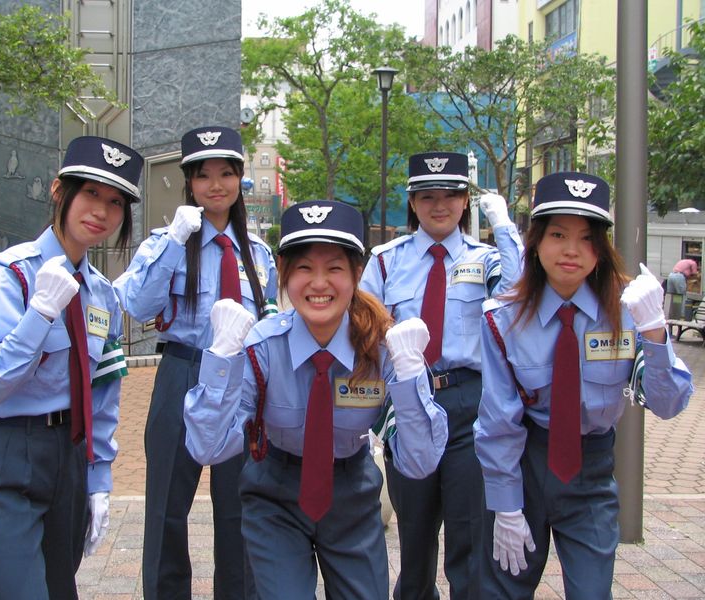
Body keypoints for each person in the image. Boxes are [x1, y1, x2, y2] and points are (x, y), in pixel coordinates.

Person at [182, 199, 448, 599]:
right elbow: (207, 446)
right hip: (275, 496)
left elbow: (420, 461)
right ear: (284, 273)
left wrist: (411, 376)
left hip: (352, 495)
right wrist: (221, 356)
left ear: (357, 273)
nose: (319, 283)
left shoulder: (384, 350)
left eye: (335, 268)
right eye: (304, 268)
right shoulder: (261, 347)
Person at [473, 171, 693, 599]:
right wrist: (505, 504)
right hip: (525, 465)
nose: (571, 250)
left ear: (602, 248)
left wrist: (654, 332)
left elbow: (668, 404)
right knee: (501, 590)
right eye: (558, 234)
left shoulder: (629, 310)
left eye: (587, 238)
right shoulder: (503, 318)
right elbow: (498, 420)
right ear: (536, 241)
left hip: (590, 472)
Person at [0, 135, 144, 599]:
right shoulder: (9, 274)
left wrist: (99, 478)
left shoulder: (101, 294)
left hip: (67, 455)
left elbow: (103, 392)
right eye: (91, 193)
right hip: (3, 452)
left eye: (115, 202)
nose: (101, 211)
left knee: (60, 589)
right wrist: (39, 315)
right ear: (59, 191)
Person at [113, 125, 277, 599]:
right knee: (166, 505)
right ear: (189, 182)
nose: (215, 185)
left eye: (226, 174)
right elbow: (137, 305)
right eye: (203, 175)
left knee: (239, 507)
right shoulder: (164, 243)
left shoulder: (258, 254)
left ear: (241, 178)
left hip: (241, 384)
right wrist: (175, 239)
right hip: (182, 373)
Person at [360, 151, 524, 599]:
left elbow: (515, 297)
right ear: (412, 203)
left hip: (468, 406)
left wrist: (504, 227)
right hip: (409, 401)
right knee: (414, 536)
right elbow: (364, 331)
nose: (439, 206)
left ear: (465, 201)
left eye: (450, 196)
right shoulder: (385, 261)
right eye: (427, 196)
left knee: (469, 535)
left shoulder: (486, 259)